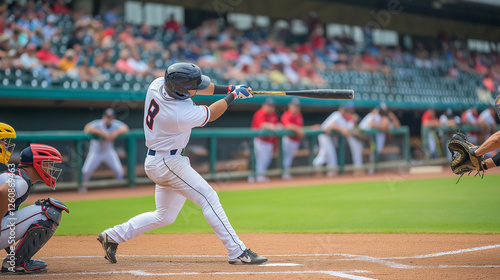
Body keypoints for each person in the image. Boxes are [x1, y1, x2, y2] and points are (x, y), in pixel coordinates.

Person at [97, 62, 267, 265]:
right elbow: (212, 113)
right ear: (180, 90)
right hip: (168, 162)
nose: (197, 88)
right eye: (192, 87)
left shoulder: (158, 84)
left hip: (159, 160)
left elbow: (201, 86)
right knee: (209, 197)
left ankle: (112, 236)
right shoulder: (177, 114)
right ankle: (237, 251)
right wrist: (234, 96)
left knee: (164, 216)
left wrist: (229, 88)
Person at [0, 144, 69, 274]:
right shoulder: (22, 180)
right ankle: (17, 263)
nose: (51, 168)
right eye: (48, 164)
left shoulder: (12, 174)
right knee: (50, 209)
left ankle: (15, 260)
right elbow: (4, 191)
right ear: (38, 163)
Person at [81, 108, 129, 192]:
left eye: (110, 117)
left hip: (108, 152)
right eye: (107, 117)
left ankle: (118, 189)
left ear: (113, 118)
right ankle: (82, 189)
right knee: (85, 171)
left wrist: (116, 132)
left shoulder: (115, 124)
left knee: (119, 171)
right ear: (103, 117)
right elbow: (87, 128)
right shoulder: (98, 123)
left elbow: (126, 128)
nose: (109, 119)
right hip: (95, 152)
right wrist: (101, 132)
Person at [313, 103, 363, 176]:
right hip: (325, 136)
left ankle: (317, 167)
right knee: (331, 155)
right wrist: (342, 129)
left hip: (329, 138)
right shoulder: (337, 114)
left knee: (324, 155)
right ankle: (330, 172)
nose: (345, 112)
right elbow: (333, 125)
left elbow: (348, 130)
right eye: (344, 110)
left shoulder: (345, 119)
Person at [250, 98, 280, 183]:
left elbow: (277, 125)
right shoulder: (260, 113)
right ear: (264, 106)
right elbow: (262, 125)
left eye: (272, 106)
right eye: (268, 106)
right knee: (257, 159)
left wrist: (274, 126)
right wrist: (272, 126)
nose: (270, 108)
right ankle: (253, 176)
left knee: (266, 159)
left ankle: (261, 175)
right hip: (259, 140)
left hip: (269, 141)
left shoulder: (273, 115)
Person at [280, 98, 304, 180]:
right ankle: (284, 173)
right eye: (294, 106)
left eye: (297, 106)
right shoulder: (287, 114)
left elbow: (301, 127)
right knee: (286, 157)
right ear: (290, 106)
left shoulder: (299, 115)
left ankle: (286, 173)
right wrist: (298, 129)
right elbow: (287, 126)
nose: (296, 108)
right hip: (288, 139)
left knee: (289, 158)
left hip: (295, 141)